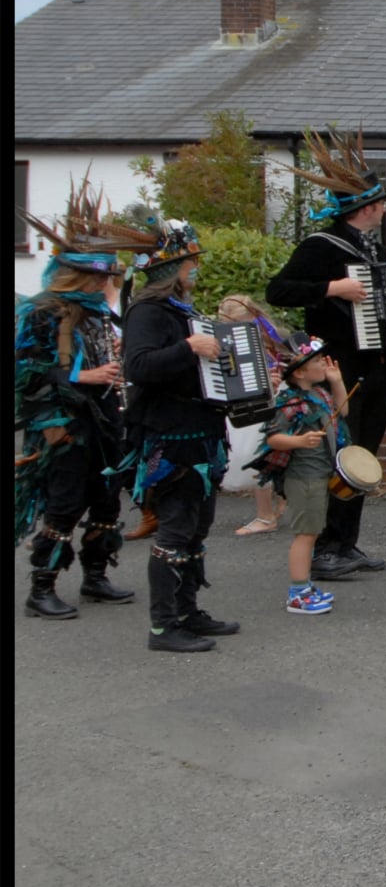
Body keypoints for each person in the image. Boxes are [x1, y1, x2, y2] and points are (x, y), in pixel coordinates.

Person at [266, 127, 386, 582]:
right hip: (337, 370)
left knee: (362, 457)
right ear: (367, 208)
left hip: (375, 368)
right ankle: (326, 547)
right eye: (382, 202)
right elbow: (279, 290)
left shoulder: (374, 248)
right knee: (338, 455)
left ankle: (345, 543)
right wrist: (333, 288)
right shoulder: (320, 247)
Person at [15, 184, 148, 619]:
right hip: (64, 424)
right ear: (78, 276)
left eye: (107, 278)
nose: (104, 284)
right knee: (66, 503)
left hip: (105, 418)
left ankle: (95, 576)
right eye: (98, 278)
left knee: (107, 498)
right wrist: (80, 375)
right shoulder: (42, 312)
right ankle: (41, 588)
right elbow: (25, 372)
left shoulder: (95, 312)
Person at [119, 218, 241, 652]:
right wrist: (189, 349)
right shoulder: (147, 312)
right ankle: (163, 627)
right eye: (190, 262)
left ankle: (188, 612)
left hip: (200, 435)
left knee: (196, 528)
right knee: (175, 529)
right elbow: (139, 368)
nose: (196, 270)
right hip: (172, 440)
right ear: (170, 268)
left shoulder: (180, 311)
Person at [248, 335, 349, 616]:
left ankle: (305, 585)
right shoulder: (289, 402)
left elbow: (344, 411)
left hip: (318, 474)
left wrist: (337, 381)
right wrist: (300, 442)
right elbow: (273, 439)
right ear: (300, 372)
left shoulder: (321, 395)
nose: (323, 365)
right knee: (305, 534)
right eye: (317, 362)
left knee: (313, 531)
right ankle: (297, 593)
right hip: (303, 476)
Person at [217, 294, 289, 537]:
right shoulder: (267, 338)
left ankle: (265, 516)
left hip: (263, 403)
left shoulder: (268, 340)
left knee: (259, 456)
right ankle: (276, 503)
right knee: (266, 456)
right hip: (257, 400)